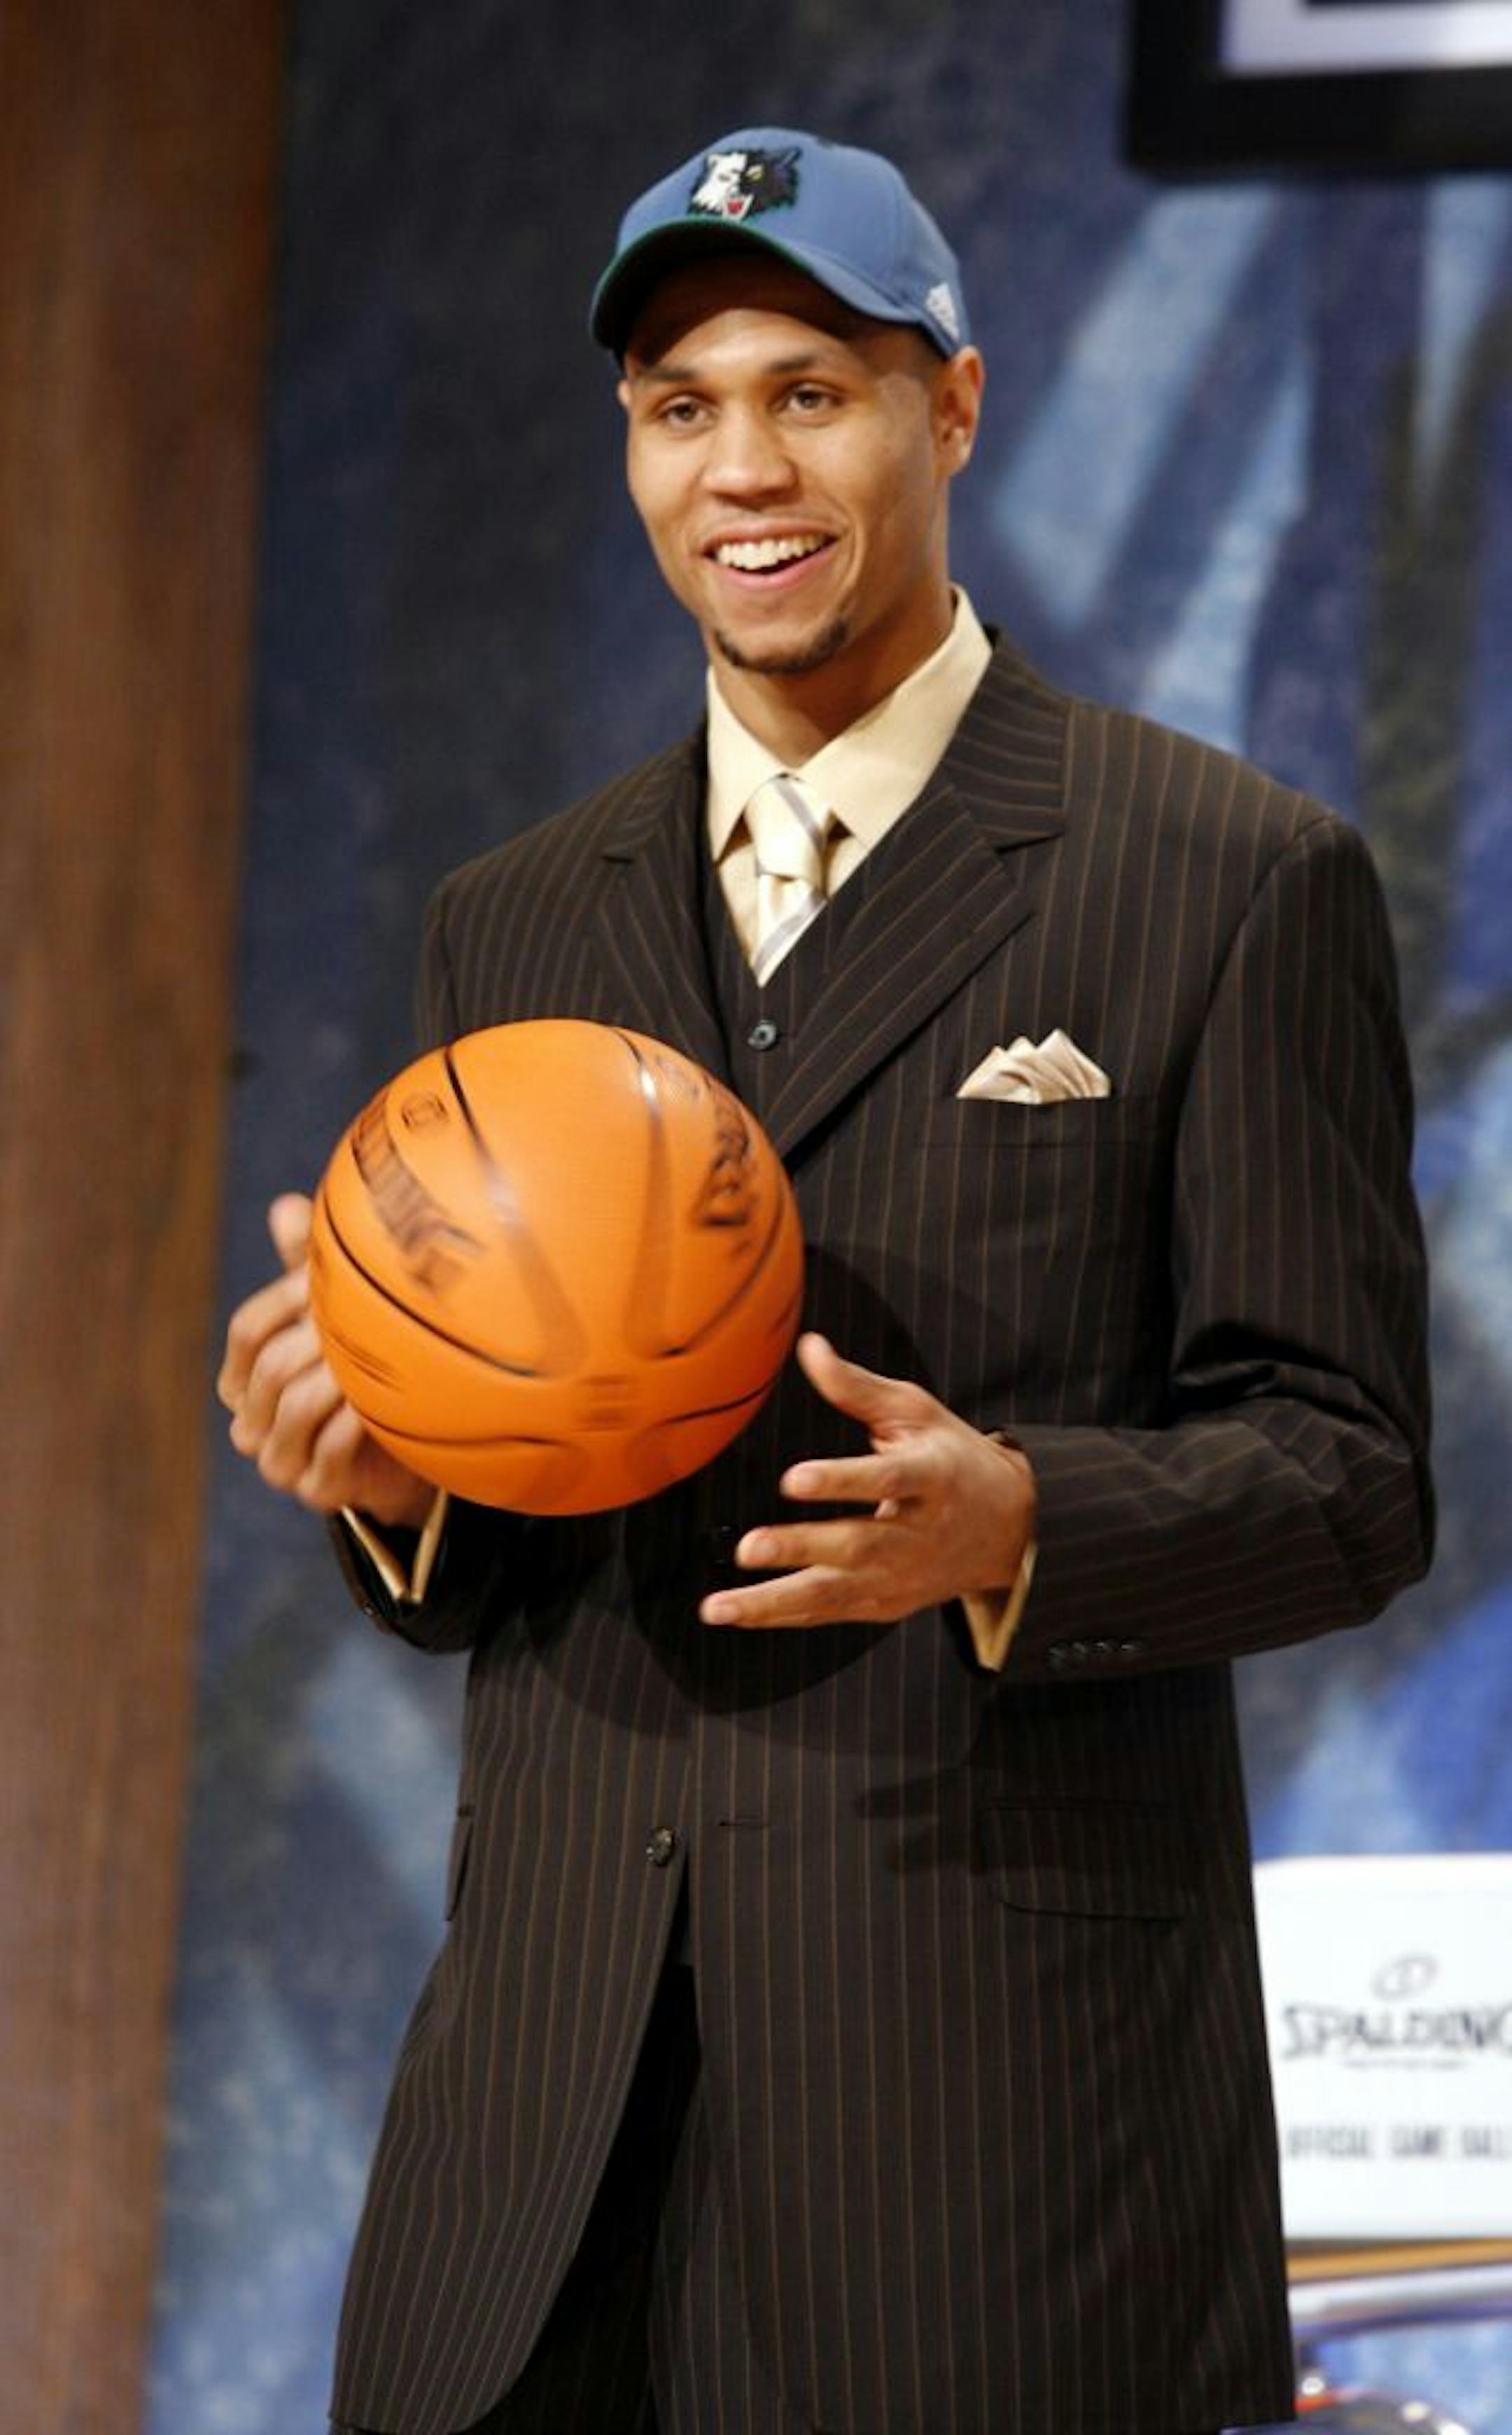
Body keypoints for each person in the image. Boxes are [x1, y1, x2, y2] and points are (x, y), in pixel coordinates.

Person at [219, 127, 1433, 2435]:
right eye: (682, 409)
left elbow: (1355, 1474)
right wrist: (393, 1476)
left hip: (989, 2156)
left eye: (811, 390)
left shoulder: (1225, 878)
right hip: (539, 2156)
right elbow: (520, 1543)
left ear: (952, 408)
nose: (742, 469)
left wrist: (1027, 1528)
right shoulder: (520, 917)